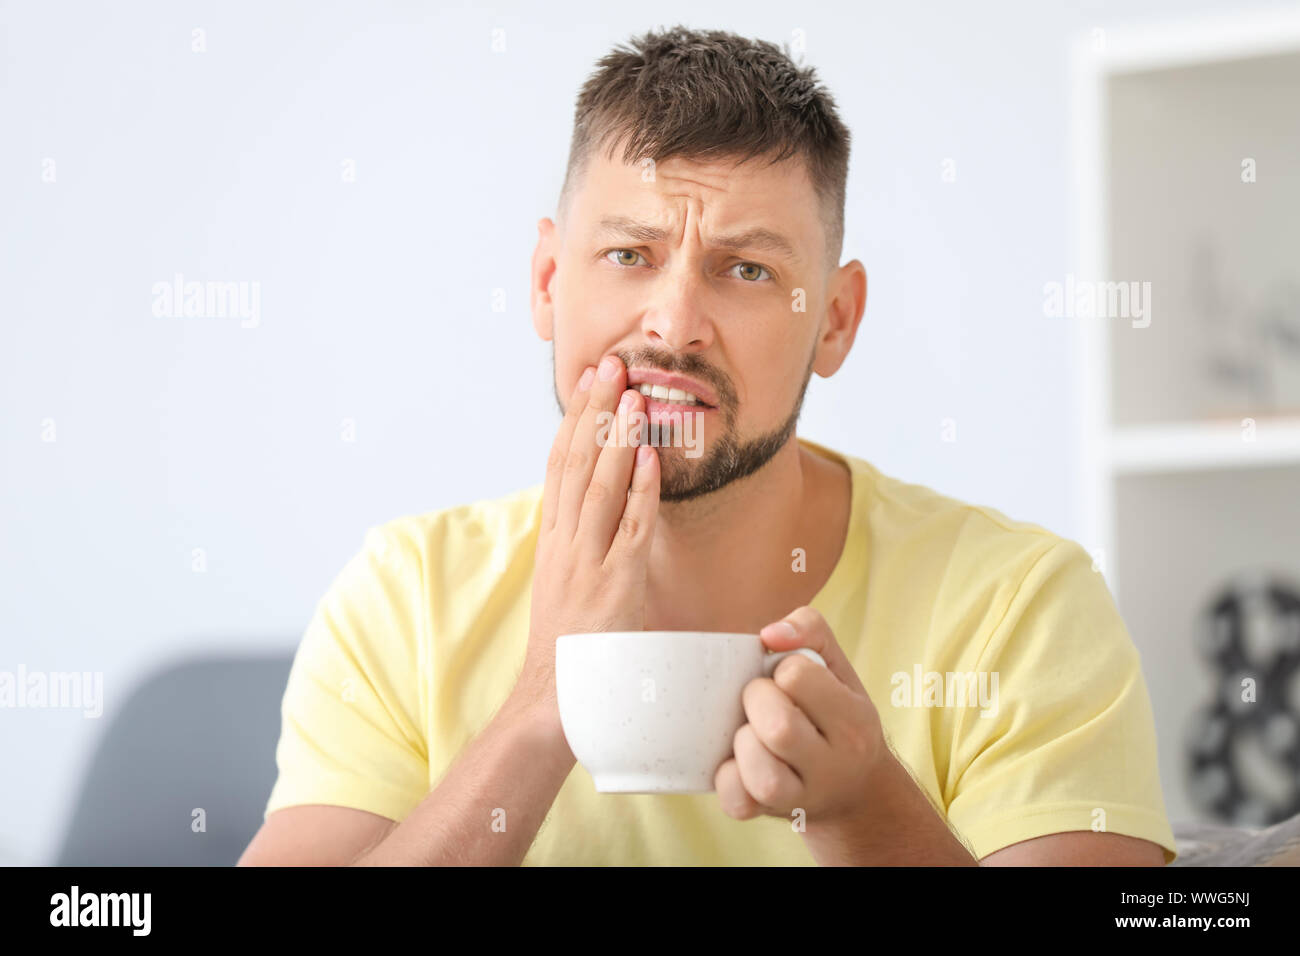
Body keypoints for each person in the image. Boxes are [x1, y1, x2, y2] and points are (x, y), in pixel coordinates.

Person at [239, 25, 1177, 866]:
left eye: (746, 269)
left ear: (836, 322)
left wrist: (866, 813)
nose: (676, 324)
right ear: (545, 281)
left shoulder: (1020, 610)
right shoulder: (404, 598)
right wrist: (541, 704)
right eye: (628, 255)